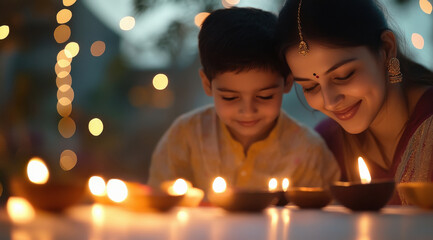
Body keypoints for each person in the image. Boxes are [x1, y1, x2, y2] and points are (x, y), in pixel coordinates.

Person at [147, 7, 340, 193]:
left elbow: (321, 220)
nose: (248, 110)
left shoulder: (308, 152)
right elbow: (160, 205)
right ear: (207, 84)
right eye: (230, 97)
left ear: (287, 82)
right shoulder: (185, 137)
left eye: (264, 96)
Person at [276, 0, 433, 204]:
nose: (330, 101)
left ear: (386, 48)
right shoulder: (325, 148)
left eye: (344, 75)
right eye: (310, 87)